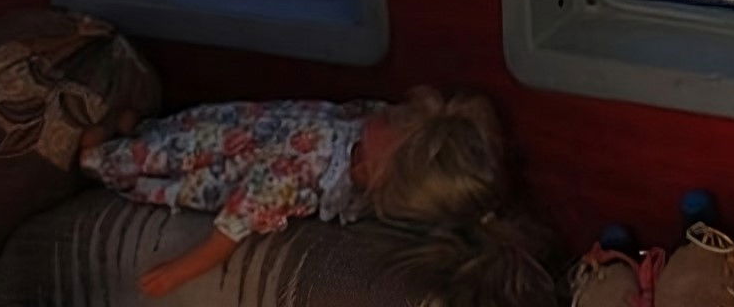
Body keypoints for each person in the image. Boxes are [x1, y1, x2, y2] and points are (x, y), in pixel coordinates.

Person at [79, 87, 553, 304]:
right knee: (153, 157)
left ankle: (123, 137)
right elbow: (242, 215)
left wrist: (181, 270)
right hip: (224, 148)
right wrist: (182, 270)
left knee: (167, 144)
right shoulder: (315, 161)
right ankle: (99, 151)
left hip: (234, 140)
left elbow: (242, 219)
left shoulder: (337, 158)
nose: (384, 114)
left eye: (393, 122)